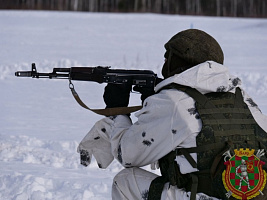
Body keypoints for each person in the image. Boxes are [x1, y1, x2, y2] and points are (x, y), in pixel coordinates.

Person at [77, 29, 267, 200]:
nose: (165, 63)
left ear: (179, 62)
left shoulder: (175, 101)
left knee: (125, 181)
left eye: (168, 58)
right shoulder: (244, 99)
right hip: (254, 195)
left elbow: (127, 155)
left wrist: (117, 110)